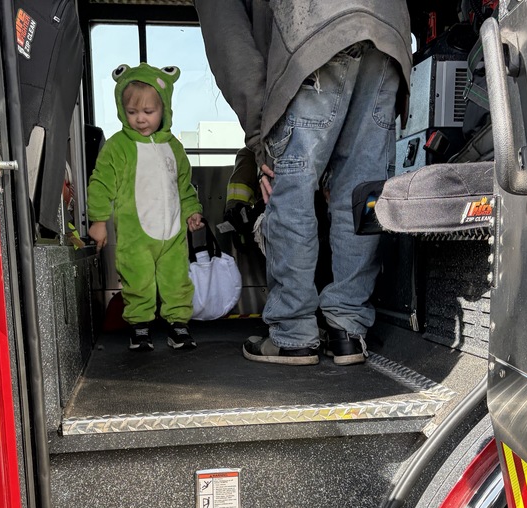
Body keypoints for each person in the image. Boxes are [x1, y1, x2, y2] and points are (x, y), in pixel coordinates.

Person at [195, 0, 412, 366]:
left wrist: (261, 141)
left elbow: (229, 39)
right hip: (386, 35)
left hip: (310, 35)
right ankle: (347, 328)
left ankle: (293, 334)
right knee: (361, 194)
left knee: (290, 190)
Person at [87, 62, 205, 352]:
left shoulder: (174, 147)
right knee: (137, 280)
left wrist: (192, 211)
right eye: (132, 112)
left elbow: (184, 185)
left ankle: (179, 325)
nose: (140, 119)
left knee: (177, 278)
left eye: (148, 112)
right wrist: (99, 220)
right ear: (122, 110)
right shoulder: (118, 147)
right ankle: (139, 328)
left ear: (164, 109)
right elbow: (101, 183)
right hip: (135, 235)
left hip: (173, 232)